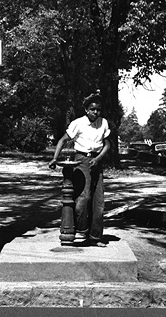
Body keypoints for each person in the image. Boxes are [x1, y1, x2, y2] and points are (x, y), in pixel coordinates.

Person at [48, 93, 111, 247]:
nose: (95, 112)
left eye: (98, 109)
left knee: (98, 201)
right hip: (81, 160)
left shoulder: (103, 123)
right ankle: (79, 229)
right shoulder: (78, 123)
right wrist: (55, 158)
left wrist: (98, 159)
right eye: (92, 109)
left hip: (97, 161)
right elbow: (63, 140)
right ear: (86, 109)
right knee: (83, 199)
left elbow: (108, 144)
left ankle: (95, 237)